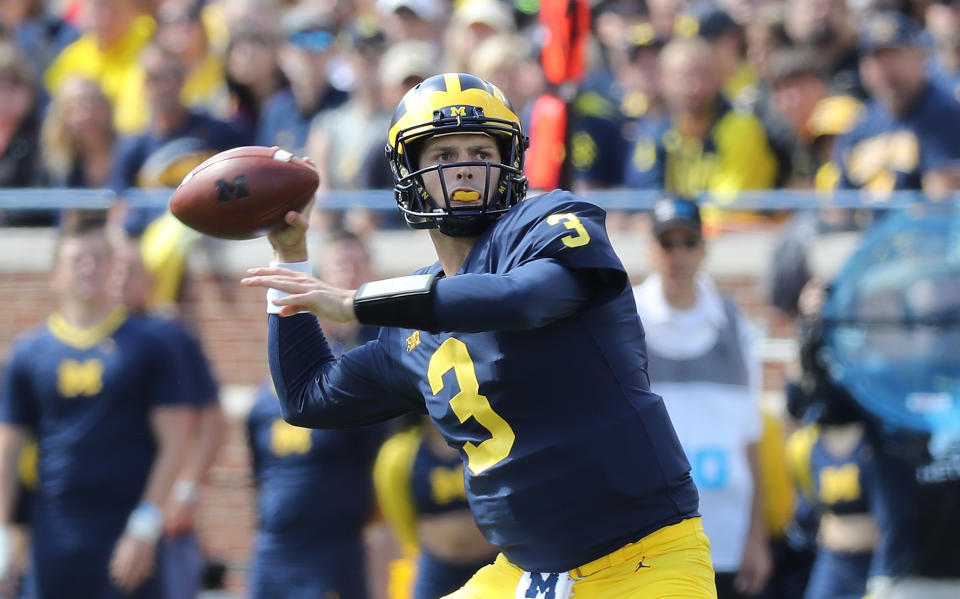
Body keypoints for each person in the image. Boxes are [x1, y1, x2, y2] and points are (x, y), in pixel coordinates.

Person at [242, 72, 715, 599]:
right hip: (522, 575)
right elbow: (307, 396)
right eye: (444, 155)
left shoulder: (547, 222)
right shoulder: (411, 324)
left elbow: (522, 299)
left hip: (642, 565)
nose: (465, 166)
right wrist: (289, 254)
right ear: (410, 172)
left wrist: (357, 301)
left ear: (509, 160)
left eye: (479, 149)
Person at [0, 214, 195, 598]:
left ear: (113, 269)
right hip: (53, 530)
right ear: (56, 273)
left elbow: (177, 439)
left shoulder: (150, 347)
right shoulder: (28, 354)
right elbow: (8, 448)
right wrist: (3, 535)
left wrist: (145, 524)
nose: (88, 268)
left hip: (124, 529)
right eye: (77, 259)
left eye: (97, 258)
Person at [632, 197, 771, 598]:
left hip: (725, 541)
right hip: (651, 543)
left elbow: (752, 439)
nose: (678, 254)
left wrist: (756, 538)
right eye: (667, 242)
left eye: (688, 242)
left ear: (704, 249)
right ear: (650, 248)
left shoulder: (733, 323)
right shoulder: (626, 320)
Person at [113, 224, 226, 599]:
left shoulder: (170, 337)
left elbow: (211, 421)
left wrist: (187, 488)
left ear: (149, 278)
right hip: (98, 509)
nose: (120, 279)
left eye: (131, 269)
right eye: (115, 267)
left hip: (159, 511)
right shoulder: (79, 340)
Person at [833, 11, 960, 197]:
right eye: (878, 58)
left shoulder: (946, 112)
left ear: (920, 57)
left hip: (920, 225)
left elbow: (944, 200)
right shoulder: (860, 124)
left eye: (896, 55)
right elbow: (840, 205)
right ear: (863, 68)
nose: (887, 67)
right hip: (866, 224)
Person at [374, 415, 498, 599]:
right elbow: (399, 512)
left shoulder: (488, 440)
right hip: (437, 569)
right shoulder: (399, 452)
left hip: (494, 563)